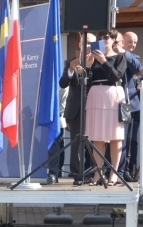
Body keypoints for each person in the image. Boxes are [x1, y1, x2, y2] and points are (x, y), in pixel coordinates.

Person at [85, 30, 127, 186]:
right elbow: (87, 81)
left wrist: (103, 61)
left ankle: (114, 174)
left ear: (114, 40)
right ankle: (98, 173)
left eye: (107, 37)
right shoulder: (94, 58)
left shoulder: (120, 57)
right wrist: (88, 67)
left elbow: (117, 76)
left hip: (112, 94)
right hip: (96, 95)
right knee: (98, 138)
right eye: (101, 37)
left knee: (115, 137)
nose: (103, 40)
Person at [60, 32, 94, 185]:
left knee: (97, 142)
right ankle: (78, 175)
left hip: (95, 107)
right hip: (77, 109)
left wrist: (90, 67)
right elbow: (63, 83)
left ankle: (96, 173)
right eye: (85, 43)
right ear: (80, 45)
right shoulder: (71, 62)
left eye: (90, 43)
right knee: (76, 144)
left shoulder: (99, 60)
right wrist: (71, 70)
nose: (87, 45)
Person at [118, 31, 143, 181]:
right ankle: (115, 169)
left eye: (135, 42)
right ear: (122, 41)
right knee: (118, 139)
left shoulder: (133, 57)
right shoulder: (114, 56)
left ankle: (129, 169)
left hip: (130, 105)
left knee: (131, 139)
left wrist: (124, 52)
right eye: (130, 41)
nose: (132, 44)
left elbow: (137, 67)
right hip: (113, 103)